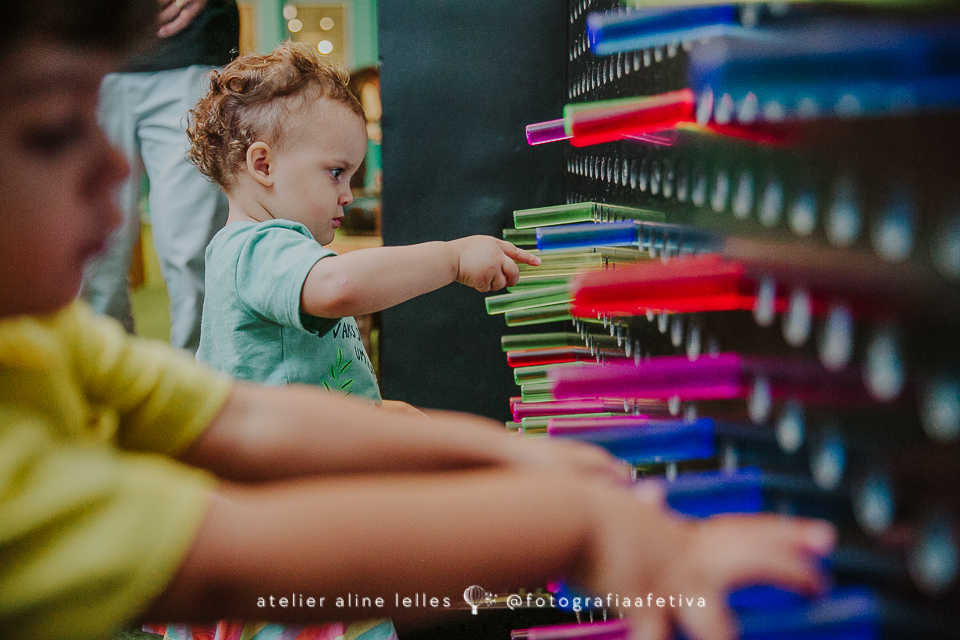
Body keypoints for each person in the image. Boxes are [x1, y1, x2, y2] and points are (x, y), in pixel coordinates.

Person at [0, 3, 837, 640]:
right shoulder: (262, 248)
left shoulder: (46, 338)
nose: (118, 168)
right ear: (261, 165)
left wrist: (505, 455)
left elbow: (244, 418)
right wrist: (587, 527)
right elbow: (236, 545)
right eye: (50, 131)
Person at [190, 41, 542, 408]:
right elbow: (339, 286)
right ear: (264, 165)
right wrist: (453, 259)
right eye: (336, 173)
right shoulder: (255, 248)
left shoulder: (262, 251)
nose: (347, 195)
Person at [80, 0, 238, 353]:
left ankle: (199, 381)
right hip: (85, 48)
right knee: (90, 259)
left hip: (191, 47)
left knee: (194, 256)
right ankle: (105, 377)